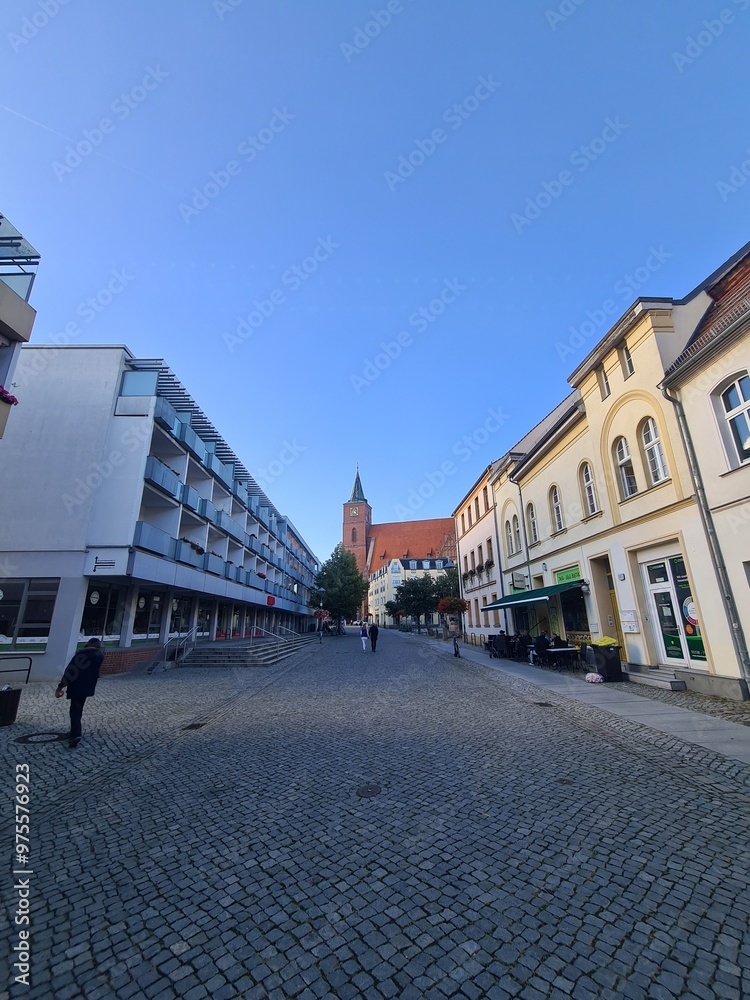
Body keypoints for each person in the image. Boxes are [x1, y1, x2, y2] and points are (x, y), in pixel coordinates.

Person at [55, 638, 104, 748]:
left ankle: (75, 734)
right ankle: (74, 731)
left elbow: (70, 671)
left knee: (74, 711)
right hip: (88, 687)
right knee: (79, 709)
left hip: (77, 686)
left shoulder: (81, 656)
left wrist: (60, 687)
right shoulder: (99, 656)